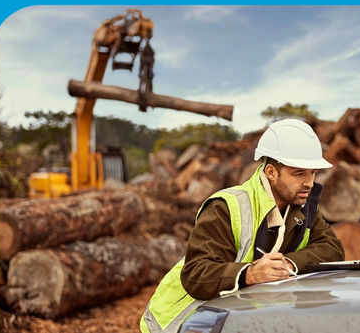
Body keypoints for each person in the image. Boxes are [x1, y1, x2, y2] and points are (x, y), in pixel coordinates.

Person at [140, 119, 345, 333]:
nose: (310, 183)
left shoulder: (302, 205)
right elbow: (196, 274)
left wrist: (287, 264)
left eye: (312, 173)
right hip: (179, 322)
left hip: (232, 319)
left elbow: (332, 249)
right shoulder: (227, 207)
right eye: (299, 173)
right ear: (271, 173)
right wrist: (251, 273)